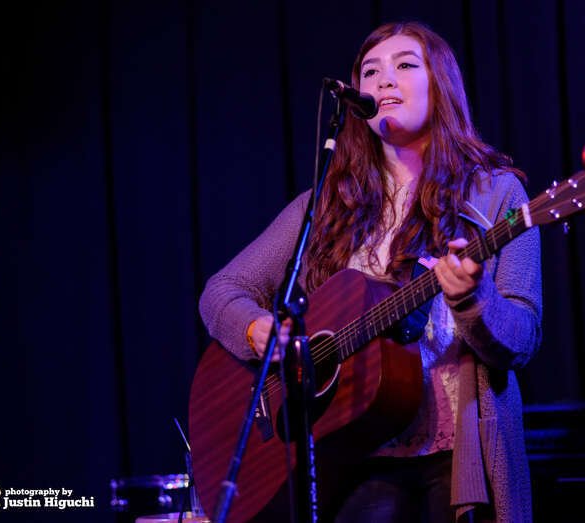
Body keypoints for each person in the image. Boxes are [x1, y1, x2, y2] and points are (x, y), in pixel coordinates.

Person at [199, 21, 541, 523]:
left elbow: (523, 338)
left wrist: (472, 300)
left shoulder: (497, 197)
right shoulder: (325, 206)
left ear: (440, 84)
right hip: (355, 458)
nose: (382, 81)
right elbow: (222, 290)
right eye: (370, 71)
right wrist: (257, 331)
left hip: (463, 456)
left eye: (404, 65)